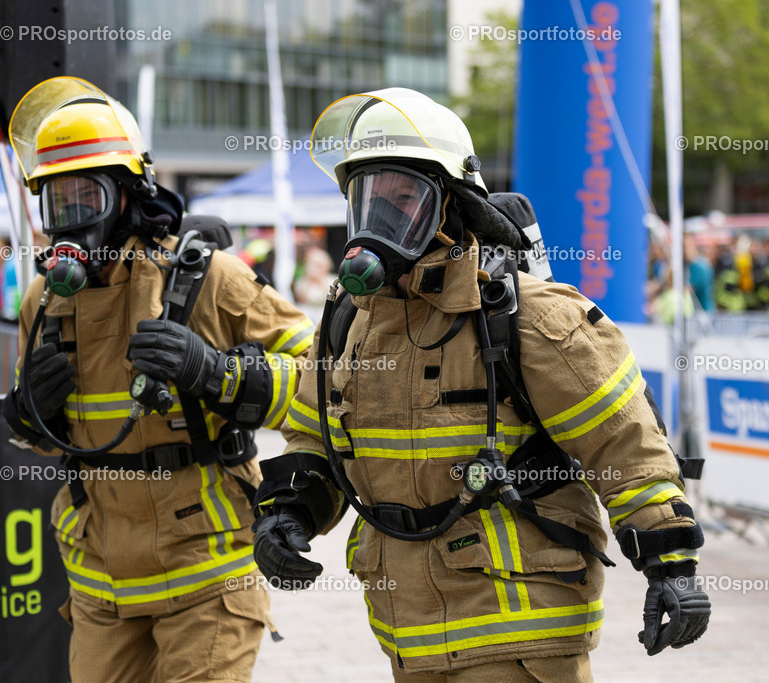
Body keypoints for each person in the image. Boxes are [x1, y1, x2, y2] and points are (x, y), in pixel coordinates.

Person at [251, 88, 709, 681]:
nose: (382, 217)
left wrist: (671, 564)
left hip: (522, 633)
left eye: (404, 196)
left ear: (451, 205)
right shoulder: (349, 322)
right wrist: (291, 510)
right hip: (408, 633)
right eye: (368, 198)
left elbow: (624, 445)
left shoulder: (531, 318)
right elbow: (315, 435)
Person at [1, 77, 314, 683]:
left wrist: (218, 374)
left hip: (206, 574)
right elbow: (49, 439)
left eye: (84, 199)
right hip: (102, 584)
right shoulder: (44, 298)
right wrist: (26, 411)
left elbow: (331, 383)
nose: (70, 220)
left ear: (126, 195)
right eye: (55, 203)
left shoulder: (209, 278)